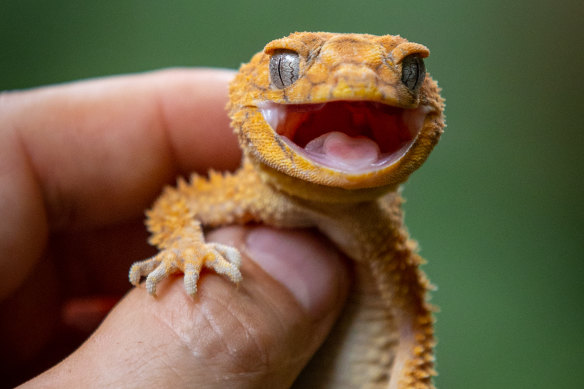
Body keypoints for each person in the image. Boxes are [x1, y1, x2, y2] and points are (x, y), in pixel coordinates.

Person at [0, 69, 350, 388]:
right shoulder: (249, 189)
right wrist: (185, 247)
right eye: (286, 69)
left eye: (408, 74)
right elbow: (174, 204)